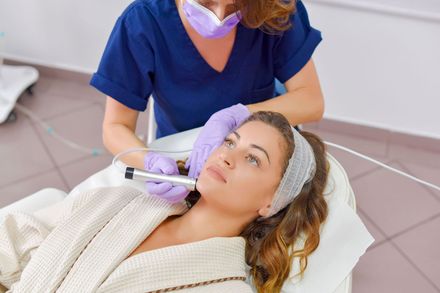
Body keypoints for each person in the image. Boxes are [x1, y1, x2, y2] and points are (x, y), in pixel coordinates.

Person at [0, 111, 328, 292]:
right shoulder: (118, 201)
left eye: (253, 159)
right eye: (229, 142)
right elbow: (13, 238)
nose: (228, 157)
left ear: (271, 203)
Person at [91, 0, 325, 179]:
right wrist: (150, 163)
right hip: (182, 156)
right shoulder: (142, 22)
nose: (220, 16)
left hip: (258, 153)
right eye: (206, 2)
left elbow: (311, 102)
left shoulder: (273, 7)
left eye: (236, 4)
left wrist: (238, 115)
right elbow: (115, 127)